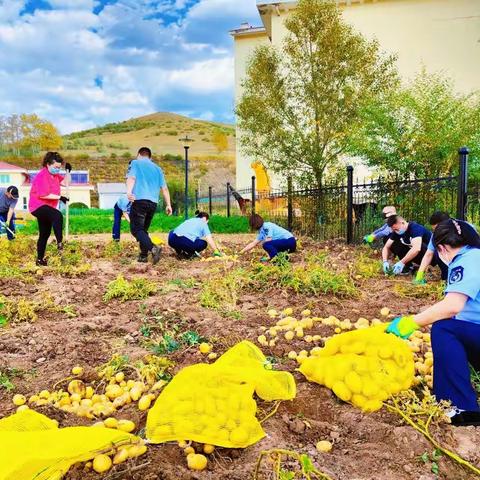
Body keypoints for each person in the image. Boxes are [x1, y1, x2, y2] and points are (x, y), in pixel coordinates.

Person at [387, 219, 480, 426]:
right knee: (449, 325)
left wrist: (410, 323)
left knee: (444, 329)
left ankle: (461, 408)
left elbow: (452, 306)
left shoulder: (468, 260)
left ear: (442, 248)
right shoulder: (476, 255)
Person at [126, 147, 172, 264]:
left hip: (139, 200)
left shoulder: (135, 163)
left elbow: (131, 178)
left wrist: (129, 192)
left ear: (139, 154)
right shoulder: (158, 169)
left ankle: (153, 248)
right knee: (143, 231)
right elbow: (165, 188)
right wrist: (168, 205)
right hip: (152, 203)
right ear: (150, 157)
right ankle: (143, 255)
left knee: (136, 230)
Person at [28, 152, 71, 266]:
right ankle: (60, 242)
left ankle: (39, 260)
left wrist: (68, 172)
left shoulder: (55, 175)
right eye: (56, 167)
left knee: (44, 234)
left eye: (59, 167)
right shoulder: (42, 176)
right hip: (37, 206)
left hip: (47, 208)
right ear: (48, 164)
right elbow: (43, 194)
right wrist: (60, 197)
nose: (57, 169)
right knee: (57, 215)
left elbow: (66, 182)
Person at [415, 212, 480, 284]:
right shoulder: (436, 236)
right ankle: (447, 278)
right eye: (435, 230)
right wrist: (420, 274)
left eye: (437, 229)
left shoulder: (465, 228)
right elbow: (429, 254)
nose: (437, 232)